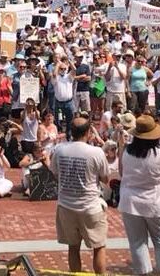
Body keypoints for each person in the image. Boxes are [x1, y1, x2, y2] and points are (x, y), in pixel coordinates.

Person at [118, 115, 160, 276]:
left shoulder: (127, 151)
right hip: (156, 201)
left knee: (137, 243)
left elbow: (122, 173)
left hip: (131, 201)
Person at [50, 117, 109, 275]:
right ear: (89, 132)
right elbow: (105, 178)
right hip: (90, 206)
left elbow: (55, 173)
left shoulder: (59, 150)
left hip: (66, 206)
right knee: (99, 246)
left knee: (73, 247)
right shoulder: (96, 152)